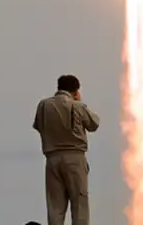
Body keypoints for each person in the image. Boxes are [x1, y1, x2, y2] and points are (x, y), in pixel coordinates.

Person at [33, 75, 100, 225]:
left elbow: (38, 125)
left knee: (55, 207)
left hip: (52, 159)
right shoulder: (76, 106)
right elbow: (94, 123)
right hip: (74, 158)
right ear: (75, 90)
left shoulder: (43, 106)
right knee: (79, 205)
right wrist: (78, 102)